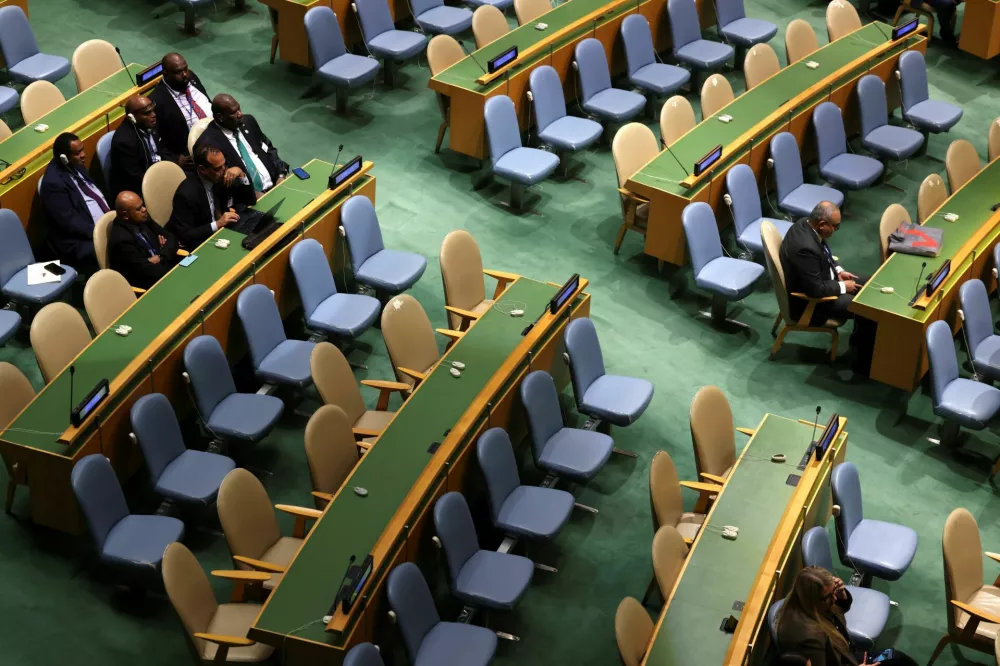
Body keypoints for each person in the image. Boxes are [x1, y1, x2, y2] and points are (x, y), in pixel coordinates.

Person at [778, 201, 875, 375]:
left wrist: (838, 270)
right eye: (835, 227)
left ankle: (865, 340)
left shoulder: (804, 223)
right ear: (822, 224)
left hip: (823, 280)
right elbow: (815, 290)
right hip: (813, 304)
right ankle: (862, 365)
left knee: (871, 283)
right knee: (868, 308)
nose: (836, 230)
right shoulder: (805, 248)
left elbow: (822, 249)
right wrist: (843, 286)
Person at [777, 566, 917, 666]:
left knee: (896, 657)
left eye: (834, 592)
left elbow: (837, 615)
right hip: (847, 661)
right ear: (812, 599)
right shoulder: (807, 636)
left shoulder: (814, 605)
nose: (834, 599)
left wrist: (842, 596)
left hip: (849, 655)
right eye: (829, 596)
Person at [40, 132, 110, 274]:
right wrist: (101, 232)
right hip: (78, 240)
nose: (83, 155)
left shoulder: (76, 164)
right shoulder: (53, 184)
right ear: (64, 158)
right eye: (78, 153)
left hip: (103, 224)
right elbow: (70, 224)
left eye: (82, 149)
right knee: (120, 246)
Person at [195, 93, 288, 198]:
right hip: (247, 199)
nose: (240, 114)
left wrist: (281, 175)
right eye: (233, 113)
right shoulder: (208, 144)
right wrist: (253, 195)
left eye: (239, 108)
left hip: (277, 184)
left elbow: (269, 149)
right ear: (220, 117)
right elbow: (218, 182)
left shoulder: (248, 121)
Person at [166, 143, 254, 248]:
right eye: (217, 168)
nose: (224, 170)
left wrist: (241, 175)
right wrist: (217, 224)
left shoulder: (221, 177)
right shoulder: (186, 194)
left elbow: (250, 201)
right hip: (202, 243)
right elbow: (185, 235)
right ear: (202, 170)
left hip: (223, 235)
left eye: (224, 165)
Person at [108, 95, 178, 199]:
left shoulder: (150, 123)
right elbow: (135, 178)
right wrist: (163, 183)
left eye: (153, 110)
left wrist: (176, 161)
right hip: (142, 189)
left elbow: (161, 150)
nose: (153, 115)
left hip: (160, 174)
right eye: (147, 113)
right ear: (132, 118)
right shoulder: (124, 142)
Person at [107, 191, 179, 289]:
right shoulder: (121, 240)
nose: (144, 209)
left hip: (165, 270)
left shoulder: (142, 217)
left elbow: (171, 238)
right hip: (151, 286)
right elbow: (150, 272)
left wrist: (161, 256)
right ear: (125, 215)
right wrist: (166, 253)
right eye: (138, 209)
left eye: (142, 205)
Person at [148, 52, 211, 159]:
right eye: (178, 72)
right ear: (165, 73)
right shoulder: (157, 100)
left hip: (217, 134)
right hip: (194, 152)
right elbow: (154, 140)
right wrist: (176, 159)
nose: (185, 74)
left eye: (185, 69)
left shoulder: (191, 78)